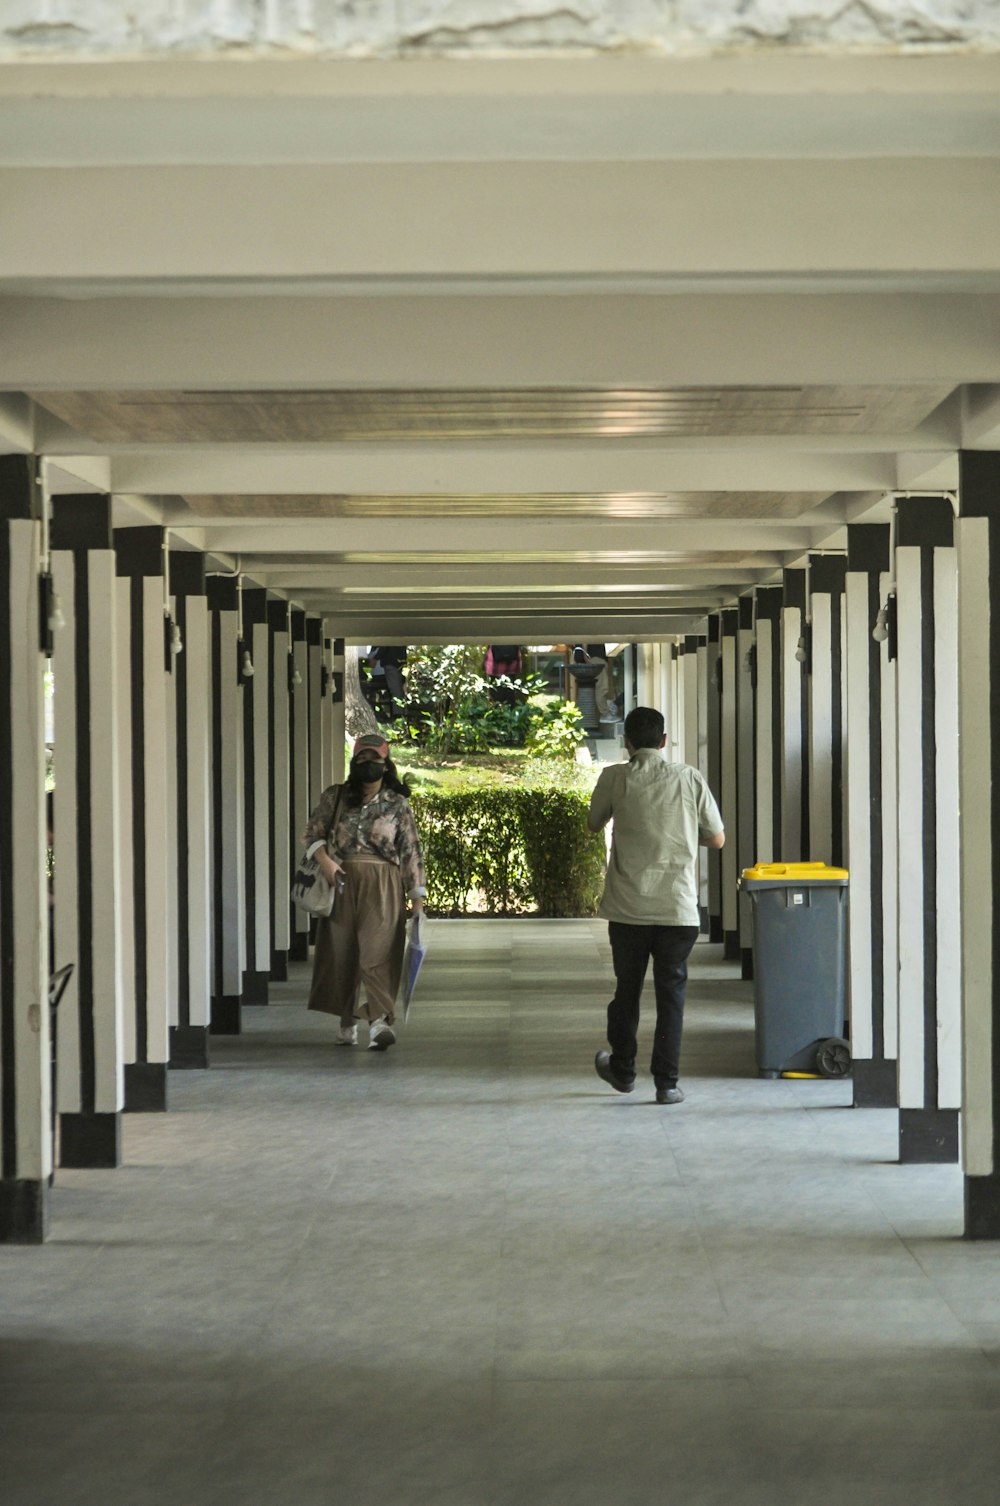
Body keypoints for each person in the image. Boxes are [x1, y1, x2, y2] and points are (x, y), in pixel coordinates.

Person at [587, 705, 724, 1104]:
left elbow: (593, 823)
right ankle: (667, 1083)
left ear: (626, 742)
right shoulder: (689, 778)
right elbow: (717, 839)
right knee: (671, 996)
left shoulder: (614, 777)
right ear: (664, 741)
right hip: (677, 909)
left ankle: (623, 1070)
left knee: (626, 992)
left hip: (629, 909)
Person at [301, 732, 426, 1051]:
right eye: (362, 758)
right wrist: (325, 861)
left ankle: (379, 1022)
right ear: (354, 760)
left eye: (375, 758)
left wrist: (417, 901)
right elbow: (311, 834)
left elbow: (410, 850)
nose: (368, 763)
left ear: (386, 764)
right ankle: (346, 1020)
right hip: (340, 879)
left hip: (383, 883)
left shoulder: (397, 804)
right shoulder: (336, 796)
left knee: (379, 952)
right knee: (341, 953)